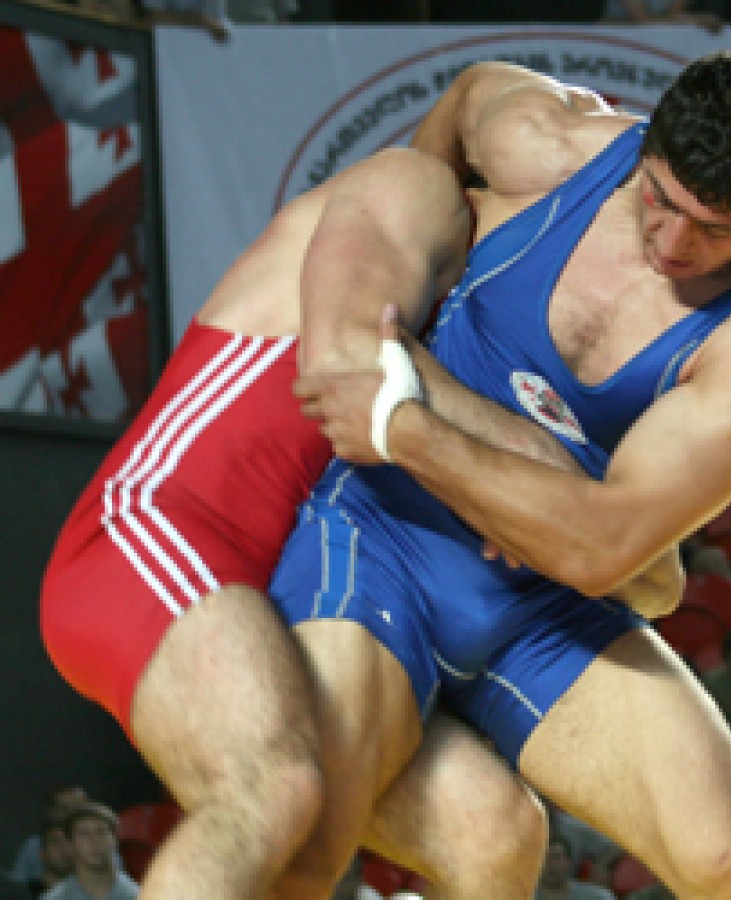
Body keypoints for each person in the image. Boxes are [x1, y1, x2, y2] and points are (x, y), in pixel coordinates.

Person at [279, 47, 731, 899]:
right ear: (649, 145)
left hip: (543, 595)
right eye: (661, 199)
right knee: (348, 814)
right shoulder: (548, 142)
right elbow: (448, 124)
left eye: (715, 231)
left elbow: (598, 552)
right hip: (383, 530)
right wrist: (408, 274)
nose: (672, 243)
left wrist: (404, 420)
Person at [40, 146, 556, 899]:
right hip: (152, 531)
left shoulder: (478, 325)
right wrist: (519, 469)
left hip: (269, 597)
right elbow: (351, 365)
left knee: (495, 831)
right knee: (272, 787)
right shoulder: (415, 192)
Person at [41, 802, 138, 900]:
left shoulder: (138, 895)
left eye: (101, 832)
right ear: (70, 844)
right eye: (84, 834)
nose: (94, 841)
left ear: (115, 840)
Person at [8, 786, 85, 889]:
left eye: (78, 808)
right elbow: (15, 886)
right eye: (64, 808)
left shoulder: (100, 845)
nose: (72, 814)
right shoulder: (33, 846)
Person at [534, 835, 615, 900]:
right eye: (543, 858)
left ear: (569, 862)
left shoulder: (597, 897)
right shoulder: (527, 895)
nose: (549, 863)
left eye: (556, 857)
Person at [25, 817, 74, 899]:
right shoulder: (23, 894)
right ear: (42, 853)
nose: (65, 848)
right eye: (57, 842)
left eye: (70, 843)